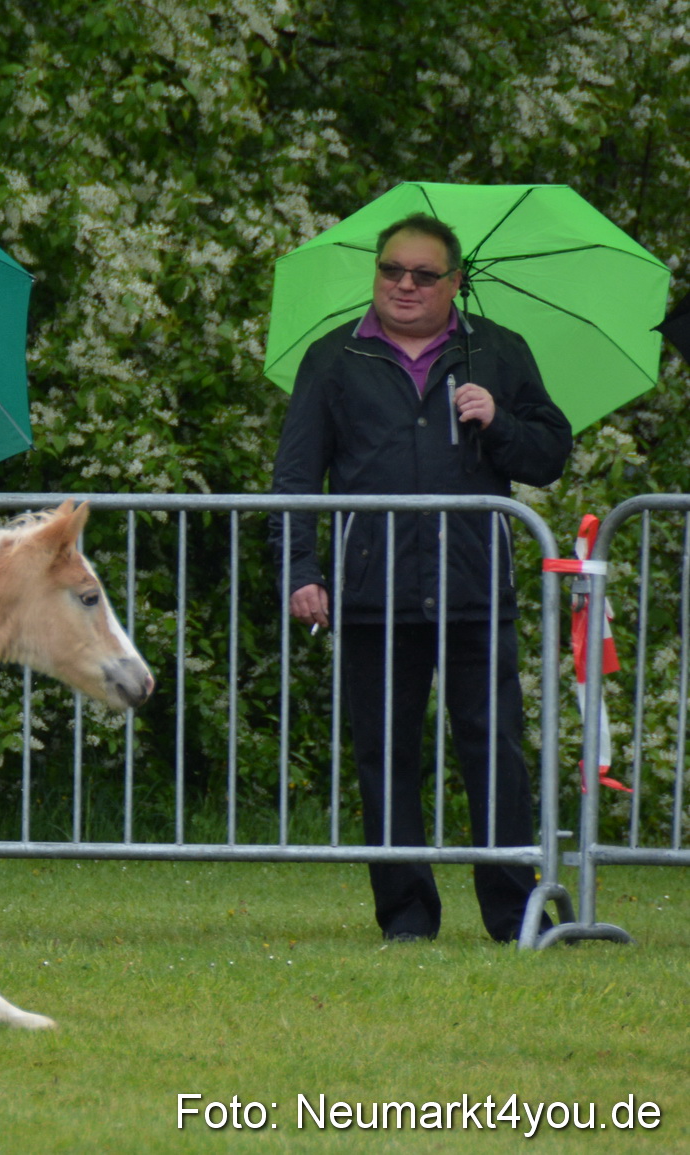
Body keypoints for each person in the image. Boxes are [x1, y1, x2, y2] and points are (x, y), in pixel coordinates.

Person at [270, 213, 572, 943]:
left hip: (475, 592)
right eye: (391, 270)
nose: (404, 285)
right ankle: (406, 918)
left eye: (424, 274)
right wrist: (301, 570)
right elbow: (295, 475)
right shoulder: (333, 357)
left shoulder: (497, 350)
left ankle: (515, 916)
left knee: (496, 753)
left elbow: (549, 455)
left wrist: (499, 419)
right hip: (372, 595)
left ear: (455, 282)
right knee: (384, 757)